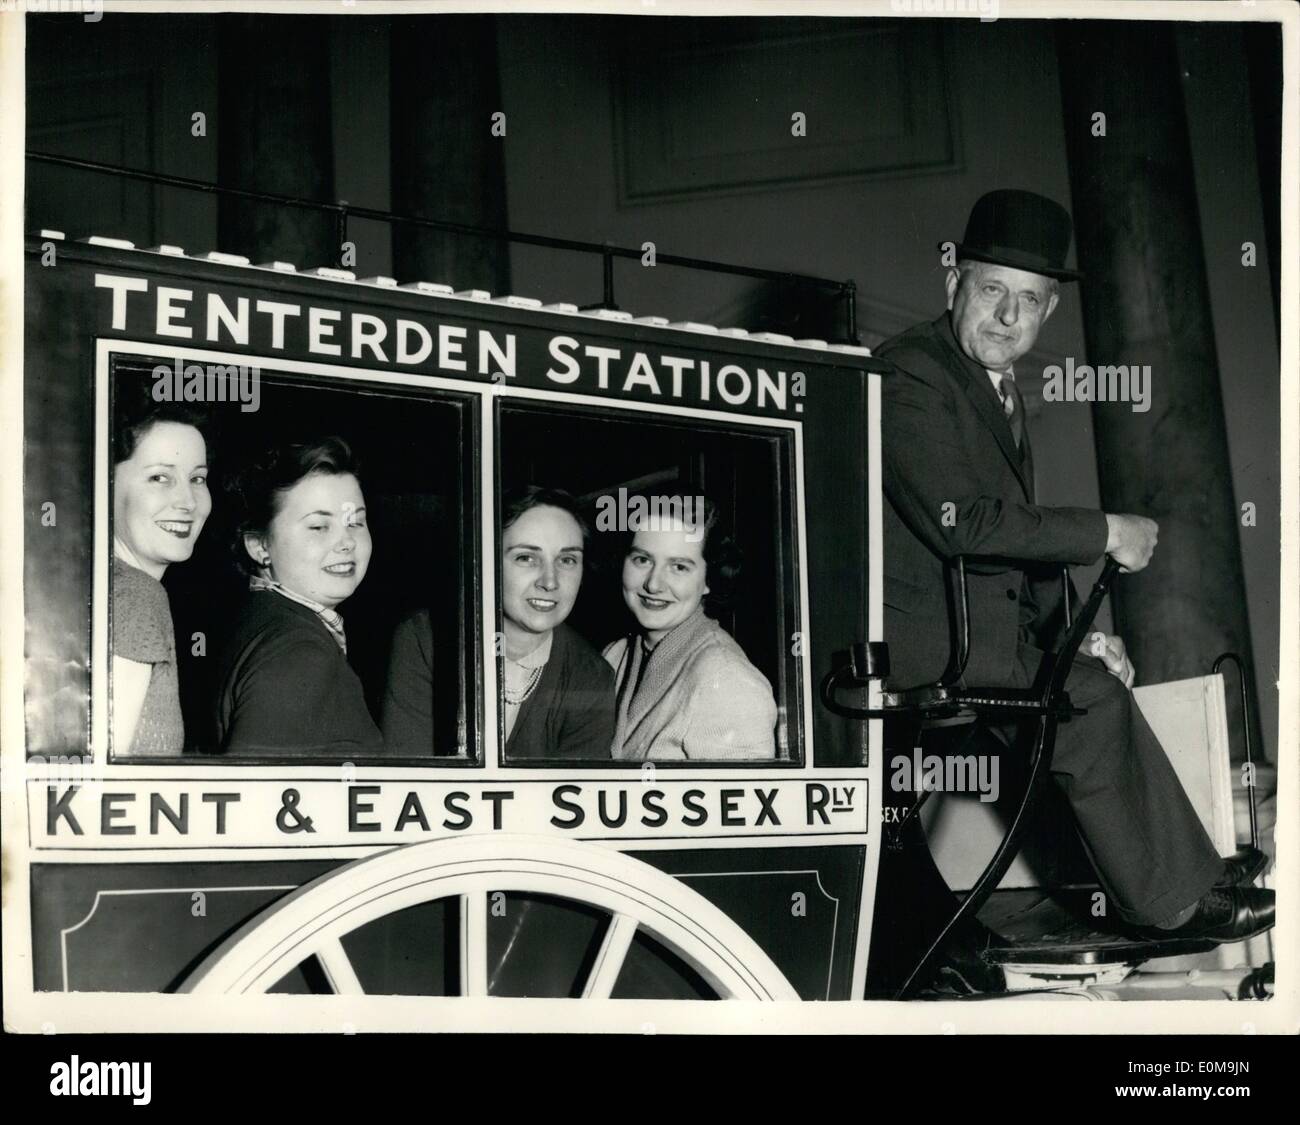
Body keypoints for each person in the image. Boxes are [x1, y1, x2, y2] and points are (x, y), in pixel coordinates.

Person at [876, 188, 1273, 943]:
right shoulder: (911, 374)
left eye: (1028, 301)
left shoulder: (993, 389)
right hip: (924, 640)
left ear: (1049, 312)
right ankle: (1175, 903)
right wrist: (1105, 530)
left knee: (1088, 682)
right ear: (952, 283)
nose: (1007, 316)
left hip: (980, 631)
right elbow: (967, 523)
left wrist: (1072, 637)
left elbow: (1010, 561)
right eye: (992, 290)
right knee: (1087, 705)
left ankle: (1186, 875)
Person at [384, 486, 613, 758]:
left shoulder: (592, 676)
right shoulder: (425, 639)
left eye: (567, 560)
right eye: (526, 558)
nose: (550, 582)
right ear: (486, 561)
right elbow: (409, 775)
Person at [212, 436, 383, 758]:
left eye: (356, 522)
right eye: (319, 526)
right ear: (259, 546)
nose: (346, 542)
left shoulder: (259, 618)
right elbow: (253, 797)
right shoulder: (300, 649)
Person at [604, 496, 777, 761]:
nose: (654, 584)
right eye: (642, 560)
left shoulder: (728, 680)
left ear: (709, 578)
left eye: (679, 567)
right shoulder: (615, 655)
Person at [112, 393, 211, 755]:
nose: (187, 501)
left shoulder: (109, 583)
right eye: (159, 477)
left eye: (198, 479)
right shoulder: (135, 596)